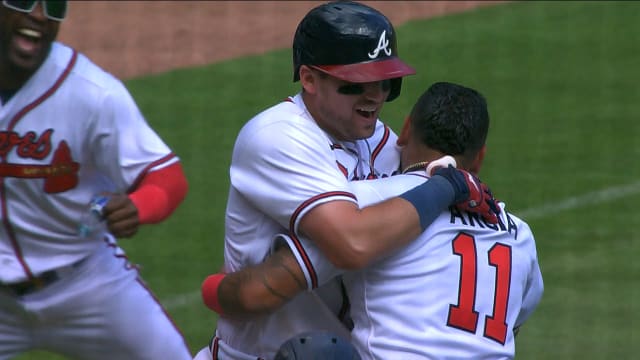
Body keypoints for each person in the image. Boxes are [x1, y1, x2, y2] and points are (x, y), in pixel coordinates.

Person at [195, 1, 500, 359]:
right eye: (355, 84)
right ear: (309, 79)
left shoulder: (382, 141)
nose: (375, 95)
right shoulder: (277, 137)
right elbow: (352, 244)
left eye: (386, 82)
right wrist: (448, 185)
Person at [202, 82, 544, 359]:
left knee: (315, 354)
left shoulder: (370, 206)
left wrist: (212, 289)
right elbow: (514, 317)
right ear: (480, 157)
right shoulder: (519, 235)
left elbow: (257, 294)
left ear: (406, 130)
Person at [0, 1, 192, 359]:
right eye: (24, 1)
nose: (40, 15)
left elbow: (166, 177)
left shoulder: (92, 92)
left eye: (54, 6)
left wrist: (139, 205)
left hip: (88, 285)